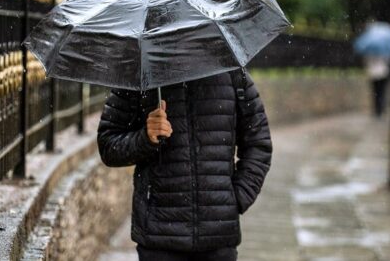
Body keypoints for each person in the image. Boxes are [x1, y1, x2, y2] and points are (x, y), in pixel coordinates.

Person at [97, 69, 272, 261]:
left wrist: (236, 197)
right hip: (159, 236)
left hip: (218, 237)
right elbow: (108, 145)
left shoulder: (232, 72)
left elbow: (258, 144)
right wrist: (145, 137)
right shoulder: (139, 74)